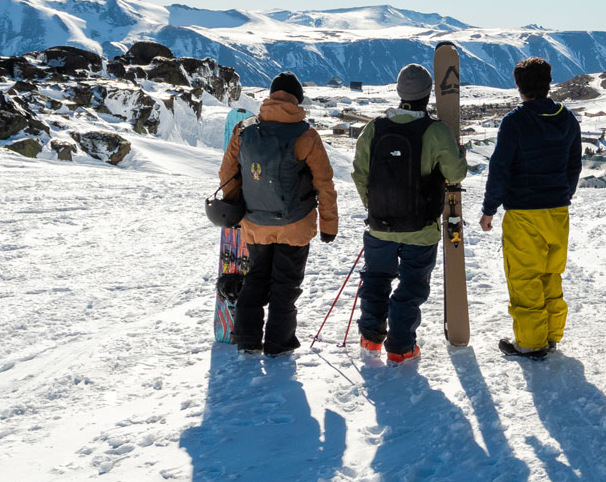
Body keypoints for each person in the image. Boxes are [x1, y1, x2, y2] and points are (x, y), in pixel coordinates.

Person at [350, 63, 467, 363]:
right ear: (429, 95)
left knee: (376, 278)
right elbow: (455, 174)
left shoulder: (374, 128)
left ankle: (370, 338)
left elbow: (359, 173)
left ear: (399, 91)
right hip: (421, 226)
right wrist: (459, 155)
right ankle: (401, 347)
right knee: (412, 284)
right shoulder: (436, 131)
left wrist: (372, 204)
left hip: (379, 224)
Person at [218, 72, 339, 355]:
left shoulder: (245, 130)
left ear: (271, 96)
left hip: (254, 222)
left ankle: (247, 338)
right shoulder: (306, 135)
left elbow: (228, 173)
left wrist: (234, 210)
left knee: (256, 279)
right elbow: (324, 183)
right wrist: (329, 226)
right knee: (286, 285)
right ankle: (278, 343)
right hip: (295, 225)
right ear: (298, 99)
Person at [479, 57, 581, 360]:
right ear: (548, 84)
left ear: (519, 87)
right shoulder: (567, 118)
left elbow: (500, 169)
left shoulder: (515, 121)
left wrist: (489, 209)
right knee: (551, 275)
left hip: (524, 213)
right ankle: (551, 335)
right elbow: (574, 165)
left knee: (524, 278)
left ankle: (530, 342)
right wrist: (563, 194)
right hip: (558, 212)